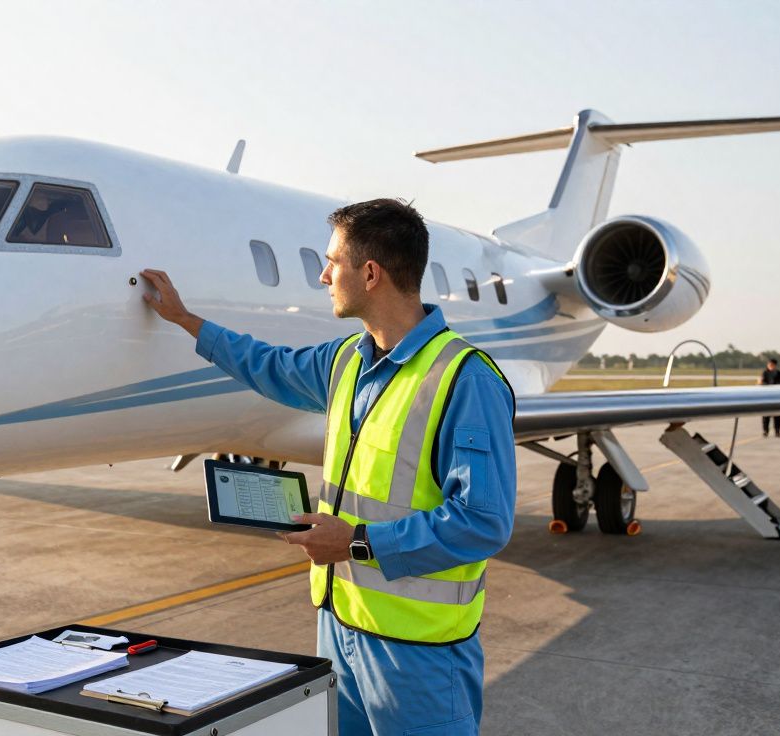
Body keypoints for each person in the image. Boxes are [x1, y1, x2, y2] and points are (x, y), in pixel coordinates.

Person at [140, 198, 516, 736]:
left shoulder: (465, 379)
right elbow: (268, 365)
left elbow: (483, 521)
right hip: (340, 627)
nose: (323, 275)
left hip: (419, 654)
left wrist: (357, 543)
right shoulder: (346, 362)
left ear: (370, 273)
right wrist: (186, 321)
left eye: (332, 262)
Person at [759, 358, 780, 437]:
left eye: (771, 365)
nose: (770, 366)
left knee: (777, 415)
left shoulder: (779, 373)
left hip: (776, 396)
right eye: (769, 364)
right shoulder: (765, 373)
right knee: (765, 416)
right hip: (766, 396)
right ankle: (765, 431)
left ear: (775, 365)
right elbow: (762, 382)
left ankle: (777, 431)